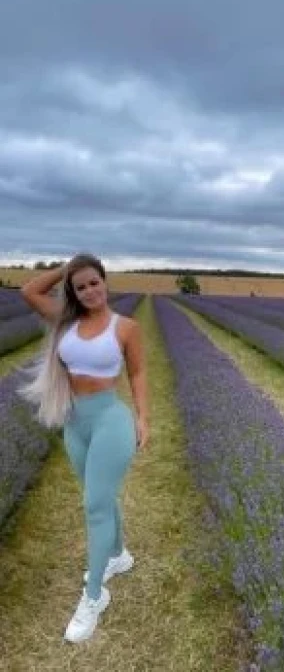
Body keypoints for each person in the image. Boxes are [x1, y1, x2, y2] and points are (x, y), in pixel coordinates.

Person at [19, 252, 149, 644]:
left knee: (94, 505)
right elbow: (29, 291)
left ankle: (94, 597)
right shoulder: (66, 322)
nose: (90, 291)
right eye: (80, 286)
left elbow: (138, 372)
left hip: (110, 421)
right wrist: (67, 267)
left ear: (105, 282)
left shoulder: (125, 327)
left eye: (94, 282)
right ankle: (118, 556)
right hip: (75, 423)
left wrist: (143, 418)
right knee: (100, 496)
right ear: (73, 292)